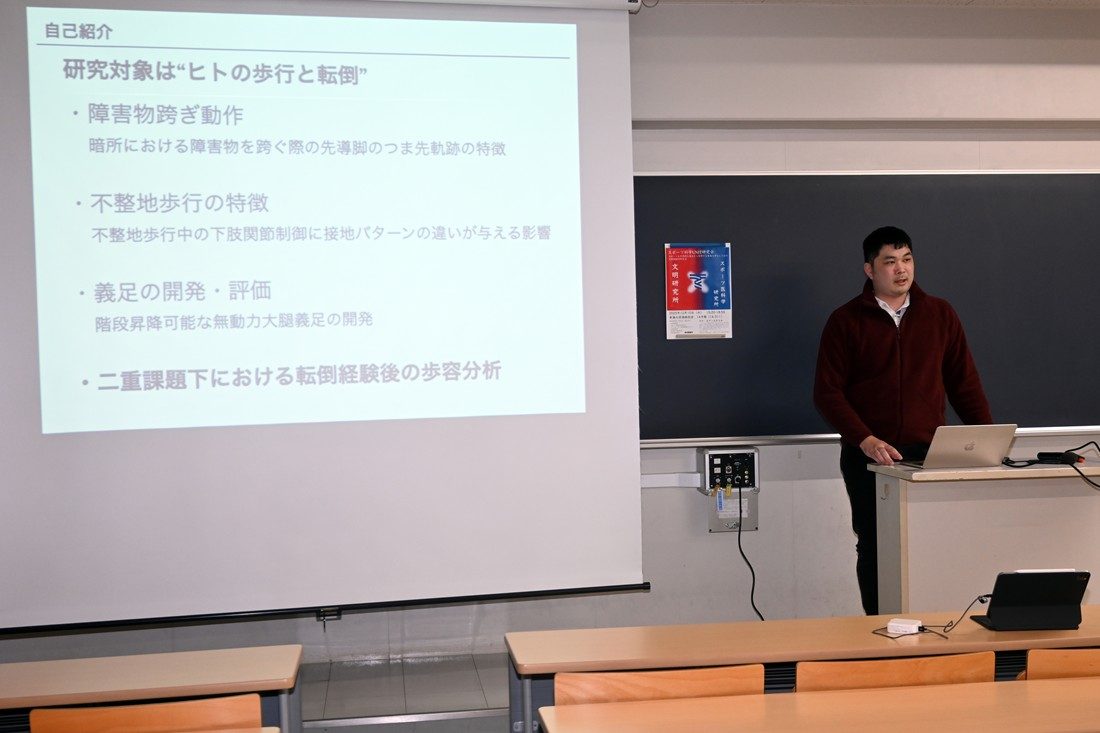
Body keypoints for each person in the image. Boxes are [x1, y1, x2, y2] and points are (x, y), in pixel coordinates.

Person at [813, 226, 992, 615]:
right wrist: (865, 438)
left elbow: (964, 384)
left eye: (907, 259)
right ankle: (878, 629)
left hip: (929, 455)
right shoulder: (846, 321)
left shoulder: (939, 314)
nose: (901, 269)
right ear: (870, 269)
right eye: (890, 261)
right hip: (869, 458)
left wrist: (988, 441)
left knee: (934, 543)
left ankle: (931, 625)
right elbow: (827, 393)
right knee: (875, 546)